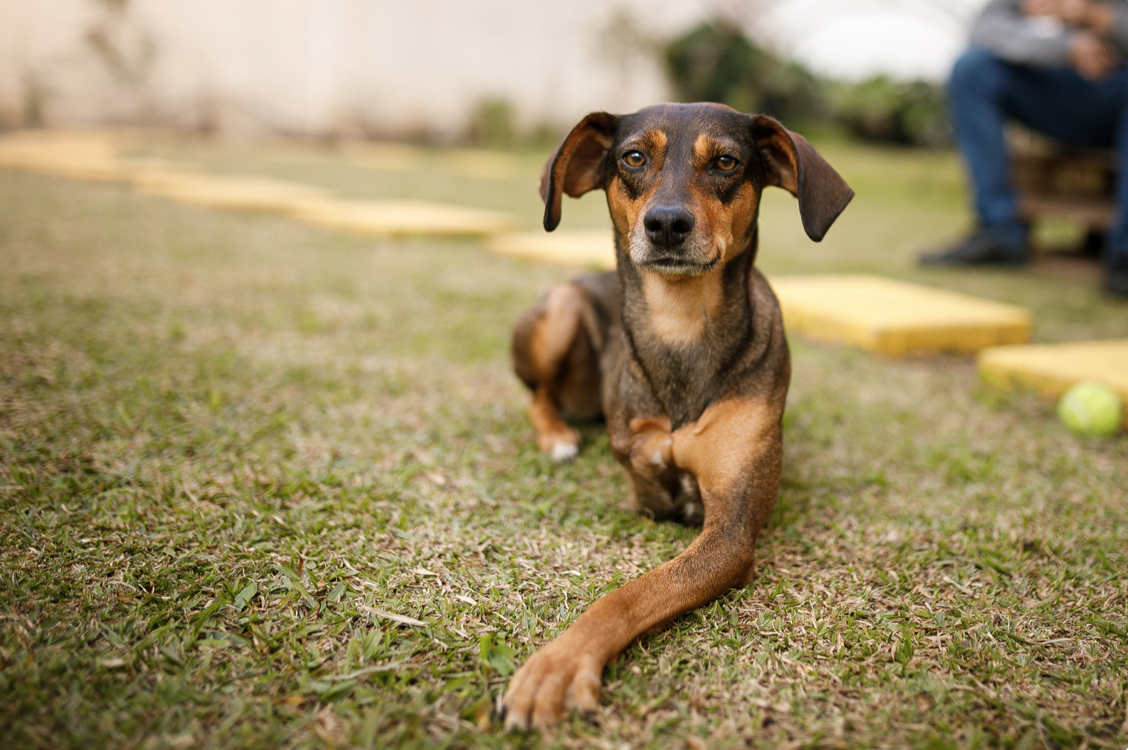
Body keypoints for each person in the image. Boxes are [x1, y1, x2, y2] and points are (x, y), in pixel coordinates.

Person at [920, 0, 1128, 298]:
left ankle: (1125, 251)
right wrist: (1066, 48)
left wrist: (1097, 16)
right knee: (972, 69)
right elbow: (986, 29)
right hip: (1060, 87)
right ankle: (999, 232)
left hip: (1118, 88)